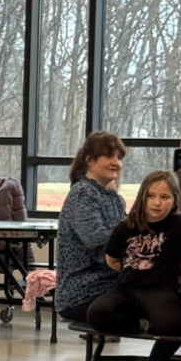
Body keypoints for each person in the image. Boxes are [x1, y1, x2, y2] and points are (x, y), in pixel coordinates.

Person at [87, 170, 181, 361]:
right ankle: (142, 324)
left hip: (160, 291)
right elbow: (111, 259)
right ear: (143, 197)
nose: (157, 203)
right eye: (151, 196)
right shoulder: (127, 225)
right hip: (127, 290)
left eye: (164, 197)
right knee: (97, 313)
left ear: (174, 201)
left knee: (175, 326)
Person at [55, 131, 127, 322]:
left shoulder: (115, 200)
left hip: (108, 283)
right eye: (109, 156)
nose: (116, 163)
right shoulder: (83, 193)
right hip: (83, 290)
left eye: (119, 157)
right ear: (90, 160)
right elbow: (95, 239)